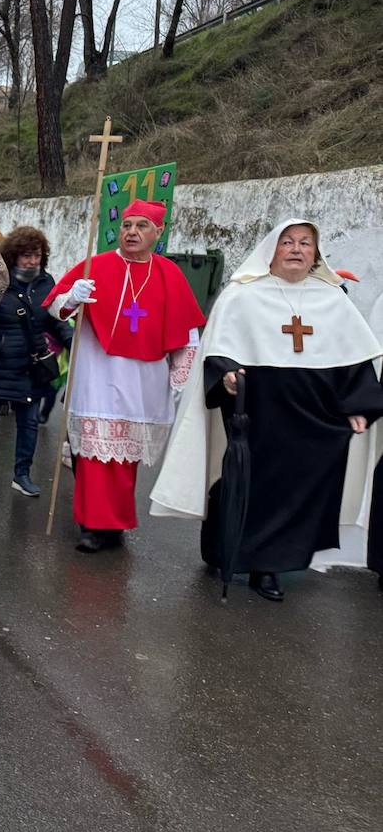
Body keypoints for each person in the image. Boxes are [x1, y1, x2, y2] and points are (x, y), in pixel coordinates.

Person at [152, 220, 383, 600]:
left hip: (314, 417)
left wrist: (360, 405)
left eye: (305, 243)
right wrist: (226, 376)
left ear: (316, 253)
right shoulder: (242, 296)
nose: (296, 249)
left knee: (300, 487)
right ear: (271, 251)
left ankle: (270, 565)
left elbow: (354, 360)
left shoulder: (332, 298)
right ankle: (224, 547)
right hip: (259, 412)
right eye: (288, 242)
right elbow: (219, 352)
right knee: (248, 482)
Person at [45, 199, 205, 553]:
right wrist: (73, 296)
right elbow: (56, 308)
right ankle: (91, 524)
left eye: (141, 226)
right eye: (127, 225)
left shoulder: (169, 273)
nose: (132, 232)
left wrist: (183, 377)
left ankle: (114, 523)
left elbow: (187, 329)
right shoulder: (95, 265)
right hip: (97, 372)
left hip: (143, 377)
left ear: (158, 232)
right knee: (92, 453)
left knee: (124, 457)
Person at [0, 226, 72, 497]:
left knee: (29, 425)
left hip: (30, 368)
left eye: (37, 255)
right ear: (13, 256)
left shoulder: (46, 282)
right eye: (26, 255)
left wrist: (73, 341)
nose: (32, 261)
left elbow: (55, 319)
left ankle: (22, 474)